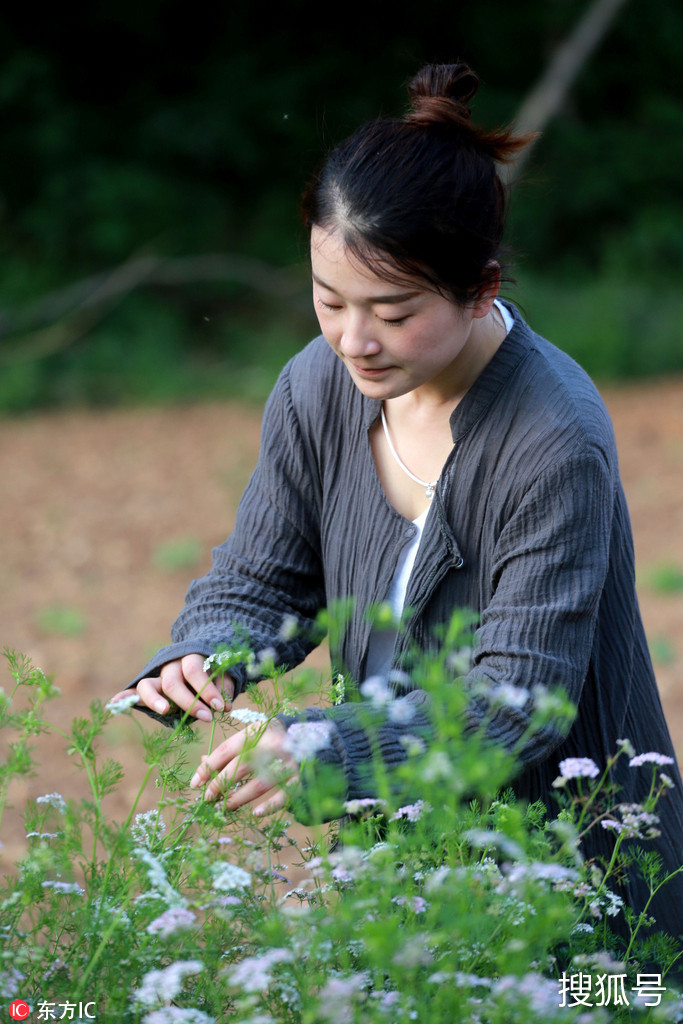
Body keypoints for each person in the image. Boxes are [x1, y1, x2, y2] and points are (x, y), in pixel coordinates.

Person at [111, 63, 683, 938]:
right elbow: (263, 580)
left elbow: (516, 702)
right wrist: (206, 656)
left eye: (392, 310)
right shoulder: (315, 386)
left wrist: (321, 749)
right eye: (328, 299)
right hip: (401, 881)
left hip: (578, 876)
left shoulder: (552, 438)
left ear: (481, 289)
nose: (353, 339)